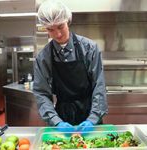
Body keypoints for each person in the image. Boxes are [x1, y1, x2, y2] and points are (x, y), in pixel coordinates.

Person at [33, 0, 108, 131]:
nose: (58, 34)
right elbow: (41, 92)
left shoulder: (89, 48)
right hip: (62, 116)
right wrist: (56, 122)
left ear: (67, 20)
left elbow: (99, 85)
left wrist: (93, 119)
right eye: (51, 29)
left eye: (60, 26)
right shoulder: (43, 57)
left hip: (90, 113)